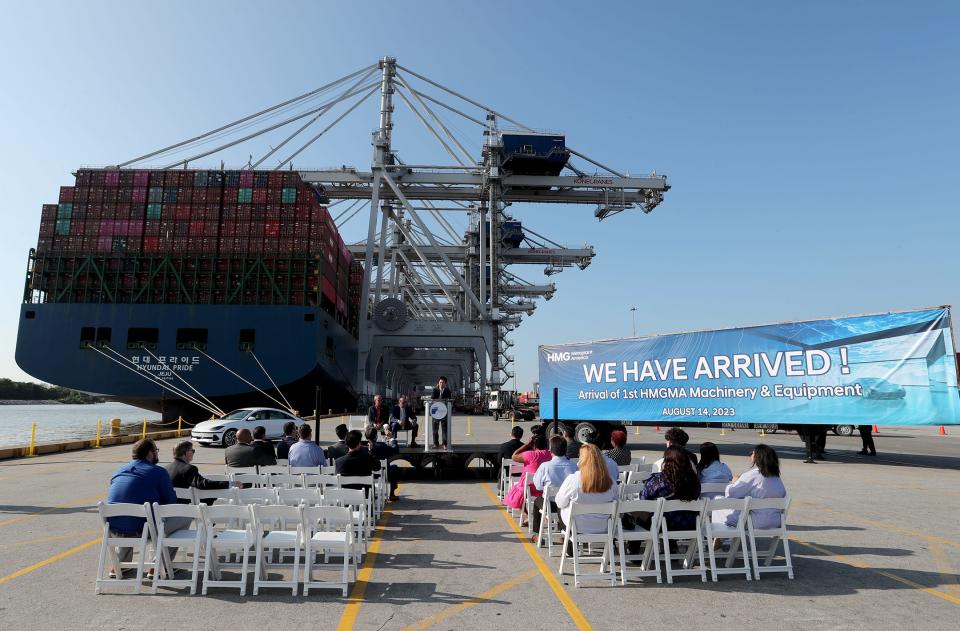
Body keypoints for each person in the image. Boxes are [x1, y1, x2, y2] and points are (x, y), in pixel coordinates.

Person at [106, 439, 179, 575]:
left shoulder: (118, 471)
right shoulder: (158, 472)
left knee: (127, 516)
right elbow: (170, 502)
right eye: (156, 451)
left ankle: (121, 564)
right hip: (143, 530)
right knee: (182, 518)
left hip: (114, 530)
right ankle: (159, 565)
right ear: (150, 453)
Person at [555, 444, 618, 537]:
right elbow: (616, 502)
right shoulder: (611, 481)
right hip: (603, 526)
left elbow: (560, 503)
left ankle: (570, 546)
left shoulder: (573, 479)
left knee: (561, 507)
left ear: (582, 459)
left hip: (576, 526)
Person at [724, 444, 787, 529]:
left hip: (755, 522)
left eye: (752, 453)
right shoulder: (777, 478)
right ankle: (722, 539)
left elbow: (732, 493)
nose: (751, 455)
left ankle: (718, 538)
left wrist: (734, 482)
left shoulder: (753, 475)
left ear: (757, 457)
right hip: (776, 521)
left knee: (721, 509)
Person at [639, 446, 702, 530]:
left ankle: (634, 543)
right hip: (691, 524)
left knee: (636, 515)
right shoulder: (694, 481)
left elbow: (644, 499)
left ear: (666, 461)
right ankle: (671, 543)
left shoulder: (659, 480)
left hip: (665, 524)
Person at [530, 436, 578, 541]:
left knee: (537, 503)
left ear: (550, 450)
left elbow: (538, 485)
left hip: (550, 504)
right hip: (568, 504)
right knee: (562, 503)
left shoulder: (545, 466)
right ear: (565, 450)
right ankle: (563, 531)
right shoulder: (573, 465)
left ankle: (537, 534)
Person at [504, 432, 552, 526]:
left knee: (517, 494)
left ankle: (530, 516)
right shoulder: (550, 454)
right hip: (545, 488)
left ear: (534, 445)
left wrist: (526, 444)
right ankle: (541, 515)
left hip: (529, 488)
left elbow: (514, 456)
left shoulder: (530, 454)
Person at [164, 440, 230, 503]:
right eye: (192, 450)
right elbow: (202, 484)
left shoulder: (165, 469)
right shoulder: (189, 468)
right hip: (186, 507)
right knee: (211, 494)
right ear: (186, 453)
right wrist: (229, 484)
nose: (193, 452)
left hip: (170, 505)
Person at [365, 425, 400, 501]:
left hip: (368, 474)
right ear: (375, 437)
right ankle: (392, 494)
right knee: (395, 468)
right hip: (382, 473)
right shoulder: (381, 446)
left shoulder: (362, 447)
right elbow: (395, 450)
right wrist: (391, 438)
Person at [430, 376, 452, 448]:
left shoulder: (448, 391)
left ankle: (444, 444)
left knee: (445, 429)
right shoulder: (435, 390)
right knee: (435, 430)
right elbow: (432, 399)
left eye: (442, 382)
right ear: (438, 383)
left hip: (444, 412)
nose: (441, 384)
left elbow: (449, 400)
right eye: (440, 382)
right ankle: (435, 443)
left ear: (445, 384)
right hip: (436, 412)